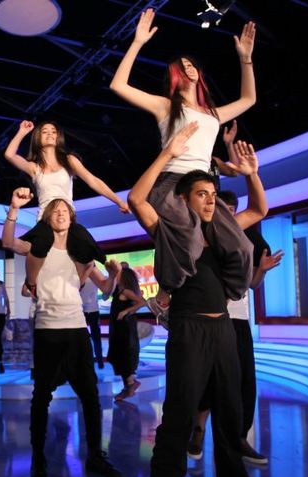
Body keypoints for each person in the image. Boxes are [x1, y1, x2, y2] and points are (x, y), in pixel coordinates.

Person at [127, 123, 269, 477]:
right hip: (188, 330)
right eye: (200, 194)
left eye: (211, 194)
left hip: (223, 327)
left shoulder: (225, 233)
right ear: (183, 200)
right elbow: (136, 198)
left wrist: (252, 174)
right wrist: (168, 154)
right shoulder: (168, 232)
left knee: (230, 415)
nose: (209, 200)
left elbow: (259, 210)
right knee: (179, 416)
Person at [111, 9, 257, 304]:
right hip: (173, 183)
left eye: (192, 65)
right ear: (174, 77)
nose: (189, 68)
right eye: (183, 66)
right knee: (189, 242)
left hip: (203, 185)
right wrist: (137, 42)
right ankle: (165, 295)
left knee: (242, 247)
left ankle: (228, 295)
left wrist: (245, 58)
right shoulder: (165, 106)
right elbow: (118, 85)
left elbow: (248, 99)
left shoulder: (212, 114)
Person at [2, 188, 122, 477]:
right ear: (47, 217)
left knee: (90, 396)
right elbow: (7, 242)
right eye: (55, 210)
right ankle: (38, 460)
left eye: (65, 210)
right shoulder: (36, 248)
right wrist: (14, 209)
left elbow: (107, 290)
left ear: (72, 218)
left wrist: (115, 274)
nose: (60, 213)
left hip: (76, 329)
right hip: (47, 329)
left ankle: (95, 456)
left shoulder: (81, 253)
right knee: (41, 397)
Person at [187, 190, 283, 464]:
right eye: (223, 208)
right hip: (208, 319)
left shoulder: (245, 239)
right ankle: (198, 431)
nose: (227, 213)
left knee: (244, 383)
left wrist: (262, 269)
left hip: (238, 321)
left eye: (232, 209)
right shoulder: (201, 236)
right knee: (206, 381)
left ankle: (239, 439)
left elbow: (252, 284)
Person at [4, 120, 130, 295]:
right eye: (45, 131)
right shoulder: (34, 167)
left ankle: (78, 283)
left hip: (68, 220)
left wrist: (118, 201)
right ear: (38, 138)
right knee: (38, 245)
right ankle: (31, 284)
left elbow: (93, 180)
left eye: (53, 131)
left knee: (86, 243)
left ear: (58, 137)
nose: (50, 133)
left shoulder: (69, 160)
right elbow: (9, 155)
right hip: (46, 221)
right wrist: (22, 132)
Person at [107, 267, 146, 401]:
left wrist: (126, 311)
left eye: (118, 274)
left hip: (124, 329)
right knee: (117, 355)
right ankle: (128, 386)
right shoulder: (118, 291)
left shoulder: (126, 291)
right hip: (118, 328)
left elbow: (142, 302)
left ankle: (130, 384)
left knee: (122, 355)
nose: (115, 276)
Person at [79, 278, 104, 369]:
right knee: (96, 338)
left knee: (84, 338)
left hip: (85, 310)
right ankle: (99, 361)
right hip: (90, 310)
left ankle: (88, 361)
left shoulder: (80, 276)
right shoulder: (96, 277)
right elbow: (106, 293)